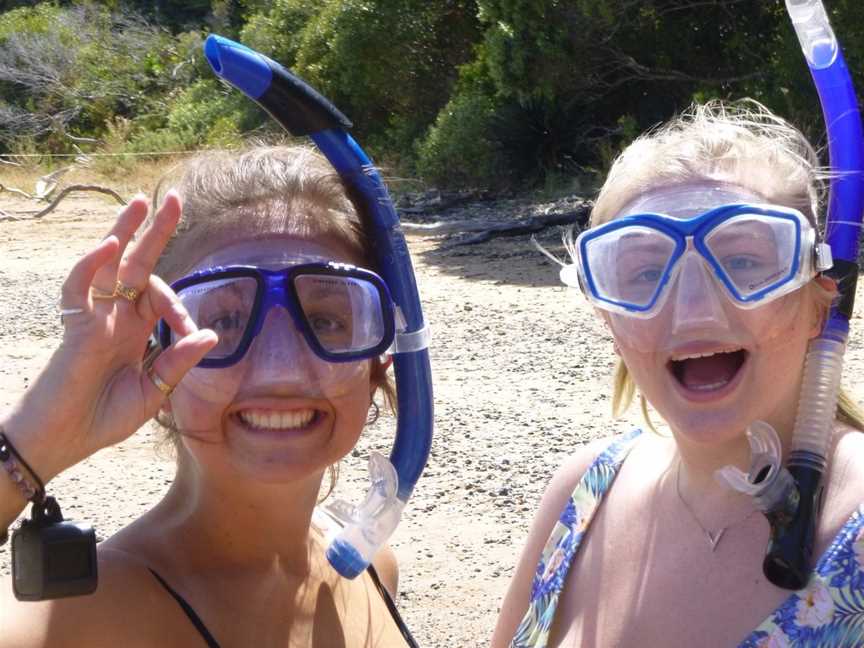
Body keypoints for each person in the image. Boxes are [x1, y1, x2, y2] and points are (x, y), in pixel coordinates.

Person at [0, 144, 419, 647]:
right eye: (224, 320)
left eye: (327, 320)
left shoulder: (369, 565)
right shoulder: (86, 619)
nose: (280, 371)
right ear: (155, 357)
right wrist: (32, 443)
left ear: (379, 361)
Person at [492, 101, 864, 648]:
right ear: (608, 316)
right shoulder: (580, 492)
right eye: (644, 272)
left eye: (742, 261)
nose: (693, 312)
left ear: (818, 304)